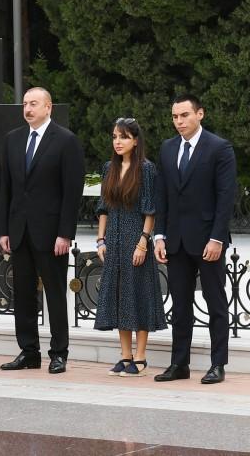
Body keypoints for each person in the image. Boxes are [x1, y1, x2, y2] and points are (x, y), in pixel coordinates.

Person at [0, 87, 84, 374]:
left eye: (34, 103)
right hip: (19, 231)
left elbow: (72, 192)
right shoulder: (13, 140)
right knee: (22, 293)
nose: (28, 108)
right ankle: (29, 351)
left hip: (50, 234)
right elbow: (6, 189)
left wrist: (65, 233)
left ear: (48, 108)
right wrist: (4, 230)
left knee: (55, 293)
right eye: (25, 104)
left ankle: (59, 353)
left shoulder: (66, 140)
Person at [153, 94, 237, 384]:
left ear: (200, 114)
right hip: (175, 241)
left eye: (185, 115)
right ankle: (179, 364)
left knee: (216, 303)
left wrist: (217, 239)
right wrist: (159, 235)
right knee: (180, 306)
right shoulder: (166, 148)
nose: (179, 122)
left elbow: (226, 197)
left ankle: (217, 364)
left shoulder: (219, 148)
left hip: (207, 241)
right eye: (175, 116)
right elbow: (162, 195)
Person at [93, 117, 166, 376]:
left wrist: (143, 243)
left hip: (137, 239)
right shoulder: (107, 168)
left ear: (135, 141)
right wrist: (101, 240)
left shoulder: (146, 169)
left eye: (123, 137)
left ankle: (141, 356)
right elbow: (103, 208)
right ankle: (124, 356)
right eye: (114, 136)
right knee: (119, 296)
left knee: (139, 294)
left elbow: (150, 209)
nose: (117, 142)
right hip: (113, 238)